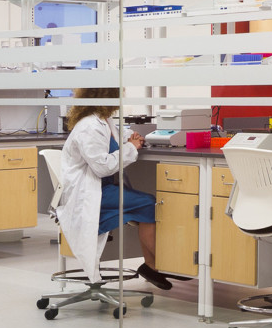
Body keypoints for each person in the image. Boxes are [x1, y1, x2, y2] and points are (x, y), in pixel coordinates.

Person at [54, 87, 187, 290]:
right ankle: (158, 264)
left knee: (147, 205)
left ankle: (153, 266)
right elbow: (102, 167)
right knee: (149, 204)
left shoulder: (102, 120)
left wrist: (131, 138)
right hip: (90, 194)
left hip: (100, 188)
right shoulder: (90, 126)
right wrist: (132, 148)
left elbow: (116, 137)